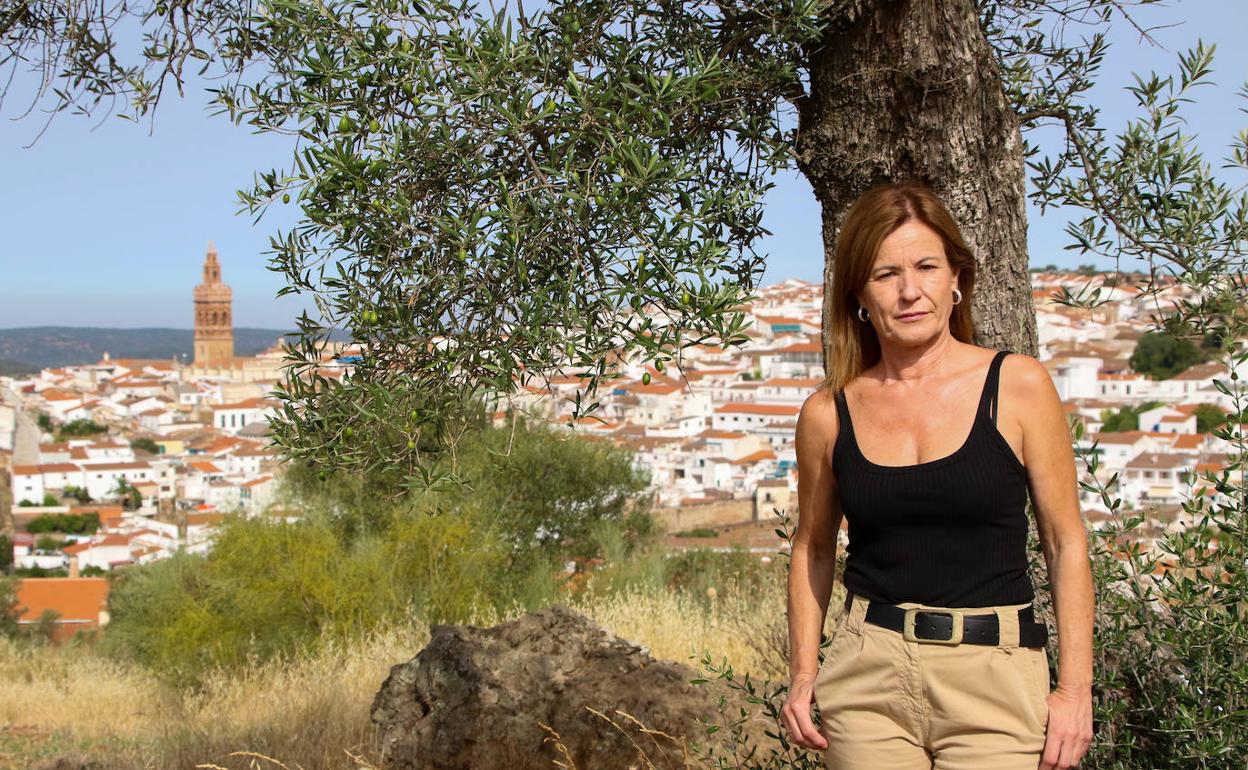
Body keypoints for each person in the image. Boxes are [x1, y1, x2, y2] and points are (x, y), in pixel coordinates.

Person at [781, 180, 1095, 770]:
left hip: (996, 677)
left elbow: (1065, 540)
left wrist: (1075, 691)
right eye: (885, 274)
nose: (909, 291)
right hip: (868, 675)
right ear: (859, 296)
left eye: (926, 267)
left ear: (956, 280)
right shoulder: (827, 413)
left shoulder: (1018, 386)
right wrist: (802, 674)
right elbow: (813, 547)